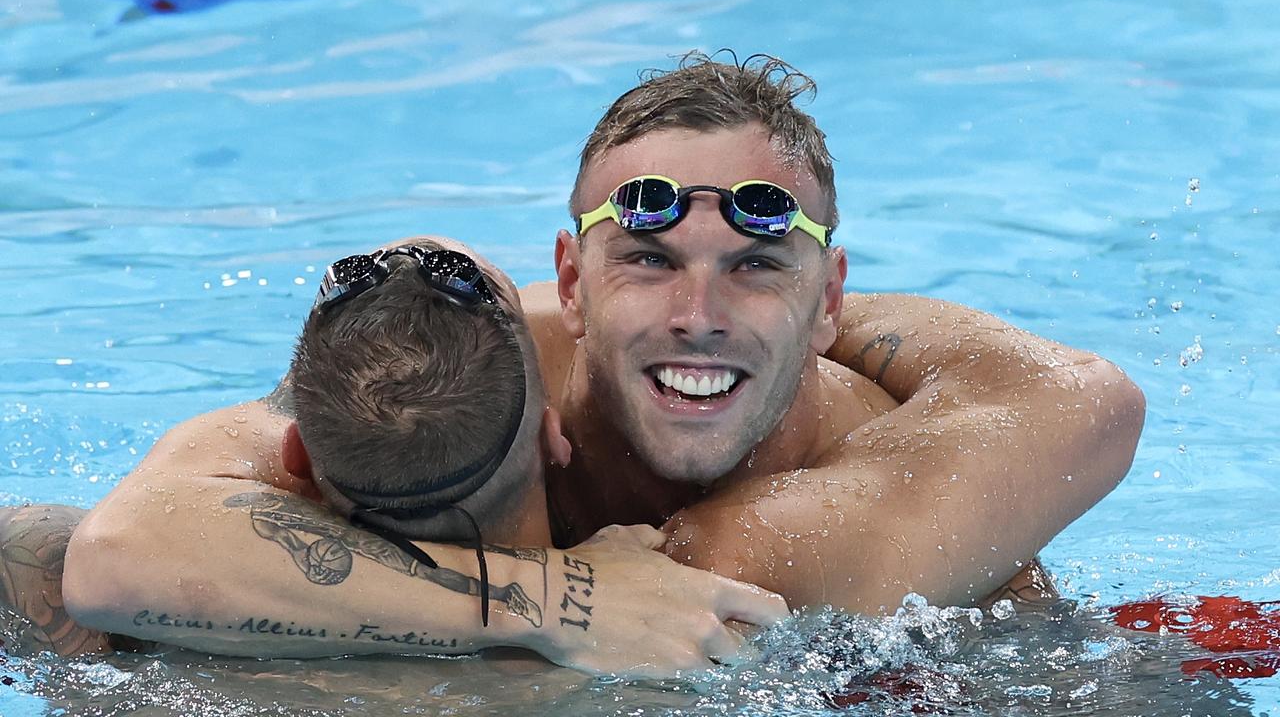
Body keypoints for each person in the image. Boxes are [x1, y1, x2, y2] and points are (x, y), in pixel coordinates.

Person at [61, 52, 1144, 669]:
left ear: (831, 304)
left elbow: (1090, 403)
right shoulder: (472, 363)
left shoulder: (859, 475)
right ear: (570, 288)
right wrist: (546, 597)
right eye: (648, 262)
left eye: (756, 270)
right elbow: (116, 548)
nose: (696, 314)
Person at [2, 236, 786, 675]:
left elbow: (107, 558)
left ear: (296, 457)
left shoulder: (132, 642)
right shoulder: (705, 641)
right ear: (555, 437)